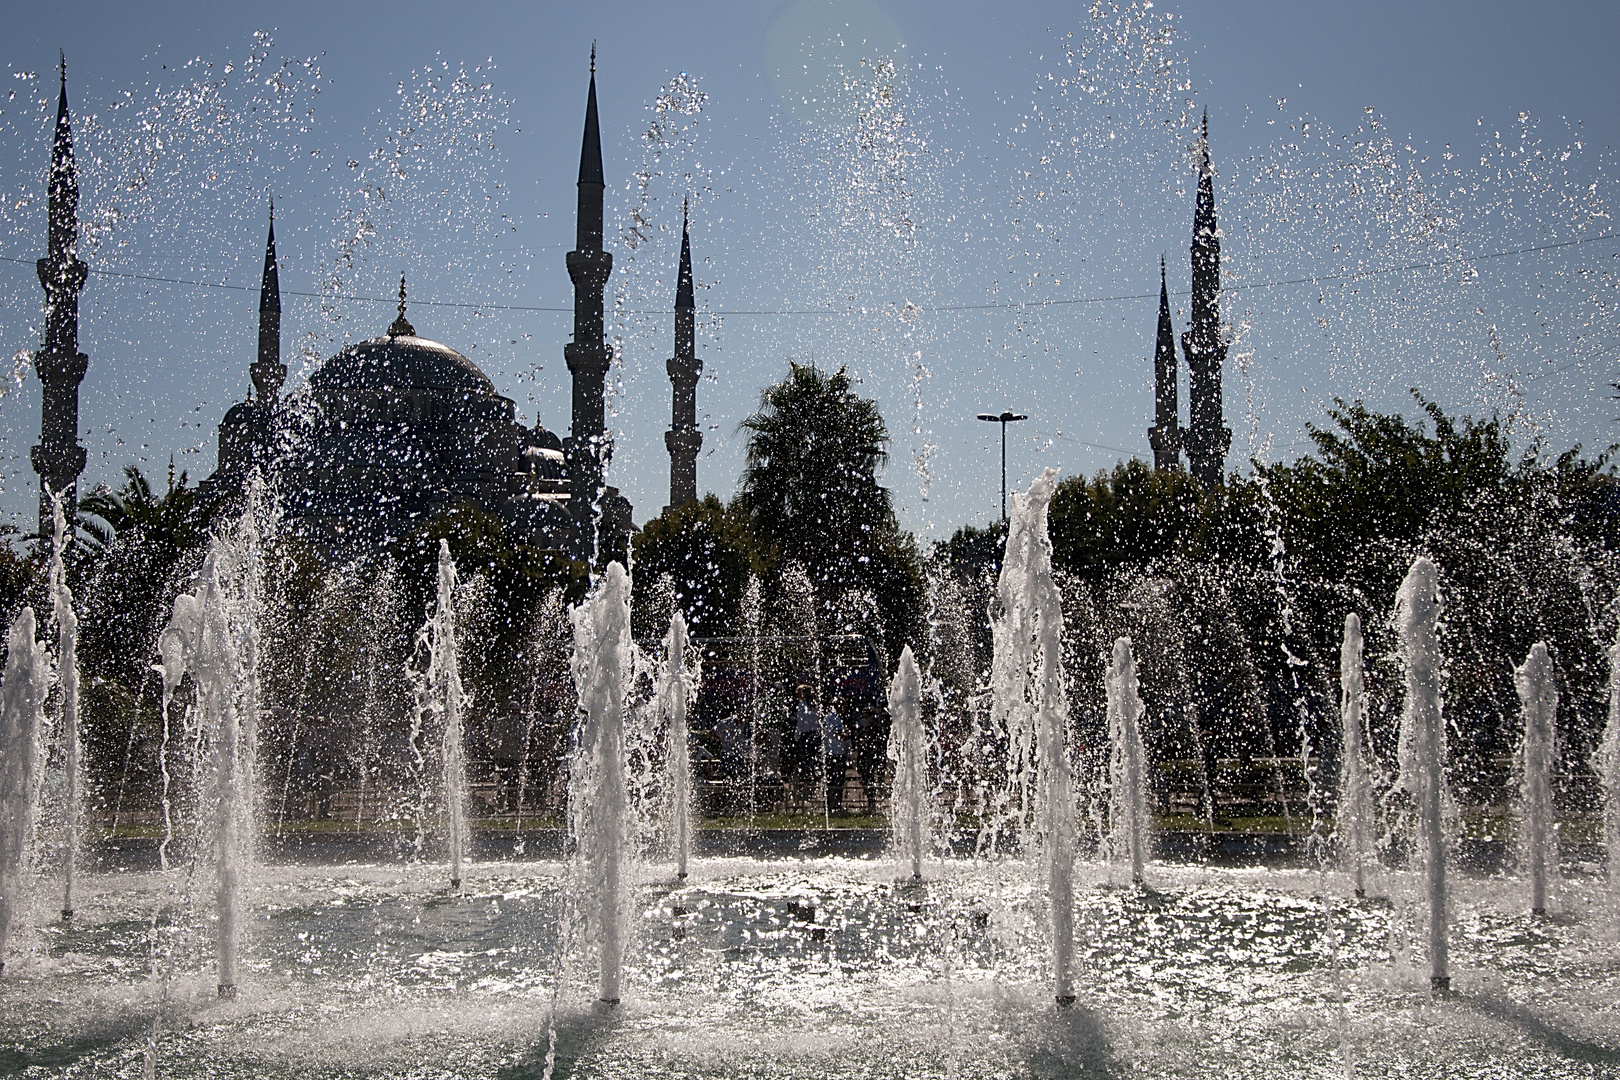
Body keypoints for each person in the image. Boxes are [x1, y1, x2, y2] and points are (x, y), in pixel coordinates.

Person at [854, 704, 887, 812]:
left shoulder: (876, 728)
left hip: (872, 758)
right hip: (865, 758)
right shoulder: (864, 728)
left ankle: (872, 803)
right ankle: (870, 802)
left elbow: (879, 744)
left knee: (870, 780)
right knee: (865, 779)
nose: (866, 719)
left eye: (867, 716)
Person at [791, 684, 820, 803]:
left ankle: (804, 783)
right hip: (813, 735)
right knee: (812, 759)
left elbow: (800, 721)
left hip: (805, 735)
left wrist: (796, 735)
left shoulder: (802, 705)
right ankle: (812, 780)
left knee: (804, 760)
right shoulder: (815, 705)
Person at [820, 698, 847, 813]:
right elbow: (839, 735)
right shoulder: (836, 718)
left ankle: (828, 804)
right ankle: (836, 805)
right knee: (838, 780)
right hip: (837, 752)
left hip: (828, 751)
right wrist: (848, 734)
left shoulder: (827, 717)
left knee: (829, 780)